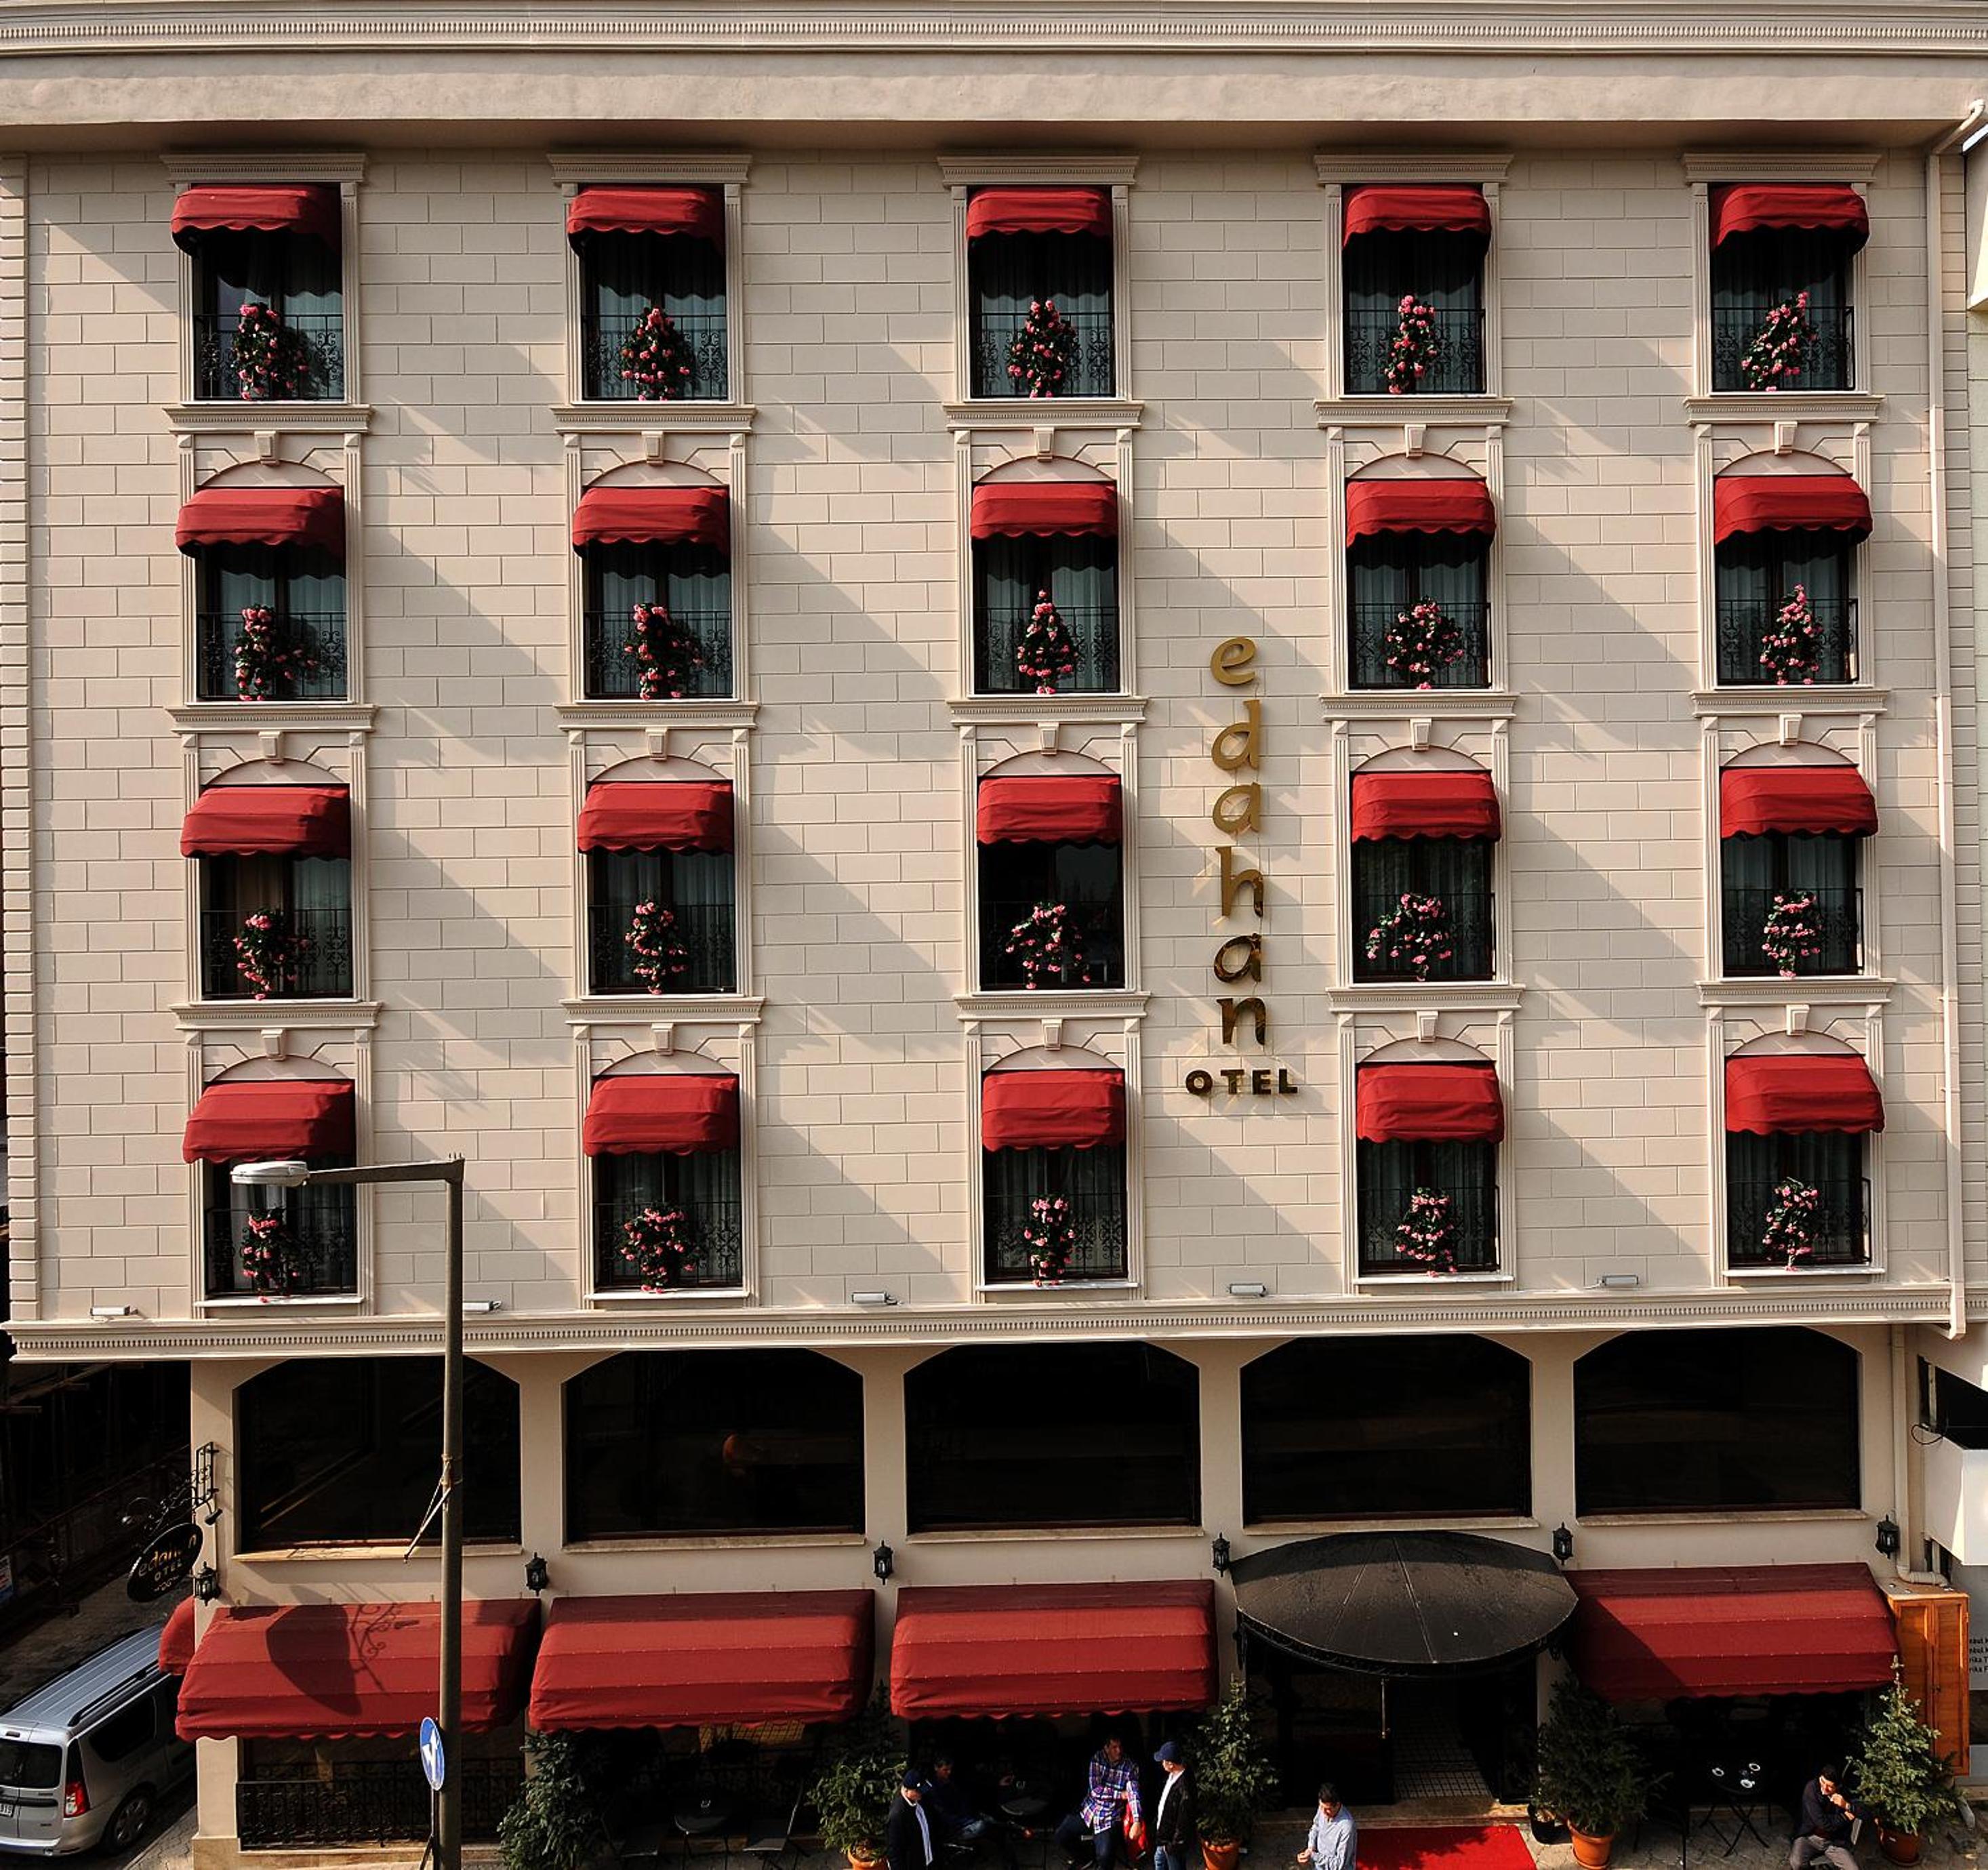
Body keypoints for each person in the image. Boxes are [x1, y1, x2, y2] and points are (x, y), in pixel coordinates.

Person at [1055, 1735, 1143, 1870]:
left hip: (1109, 1817)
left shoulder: (1130, 1767)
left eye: (1120, 1747)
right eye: (1114, 1747)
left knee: (1105, 1856)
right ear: (1106, 1748)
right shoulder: (1097, 1759)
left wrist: (1137, 1821)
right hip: (1089, 1811)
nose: (1119, 1751)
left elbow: (1134, 1794)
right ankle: (1084, 1858)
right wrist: (1120, 1794)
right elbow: (1095, 1791)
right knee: (1061, 1835)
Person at [924, 1756, 1015, 1867]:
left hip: (967, 1819)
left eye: (950, 1769)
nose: (949, 1772)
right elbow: (944, 1817)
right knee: (987, 1825)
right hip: (955, 1828)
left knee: (997, 1825)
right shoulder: (932, 1789)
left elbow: (969, 1791)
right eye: (945, 1770)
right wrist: (969, 1821)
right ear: (936, 1768)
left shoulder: (952, 1782)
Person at [1791, 1766, 1869, 1870]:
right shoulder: (1811, 1788)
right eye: (1822, 1782)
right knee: (1797, 1863)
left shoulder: (1845, 1792)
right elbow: (1823, 1824)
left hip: (1835, 1842)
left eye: (1829, 1787)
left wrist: (1847, 1806)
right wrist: (1845, 1817)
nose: (1824, 1789)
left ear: (1838, 1787)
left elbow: (1866, 1814)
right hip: (1810, 1838)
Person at [1150, 1741, 1195, 1870]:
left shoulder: (1184, 1788)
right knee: (1159, 1861)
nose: (1162, 1763)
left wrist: (1172, 1847)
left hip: (1172, 1844)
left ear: (1171, 1764)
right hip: (1164, 1837)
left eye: (1163, 1761)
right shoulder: (1173, 1775)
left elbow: (1184, 1822)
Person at [1297, 1783, 1356, 1870]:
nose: (1323, 1812)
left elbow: (1340, 1865)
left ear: (1338, 1805)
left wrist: (1313, 1856)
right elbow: (1316, 1827)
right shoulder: (1323, 1809)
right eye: (1321, 1807)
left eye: (1328, 1809)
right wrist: (1311, 1848)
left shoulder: (1347, 1827)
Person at [889, 1770, 937, 1870]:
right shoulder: (898, 1815)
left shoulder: (920, 1800)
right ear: (907, 1791)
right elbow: (895, 1851)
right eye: (918, 1791)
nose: (921, 1794)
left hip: (927, 1861)